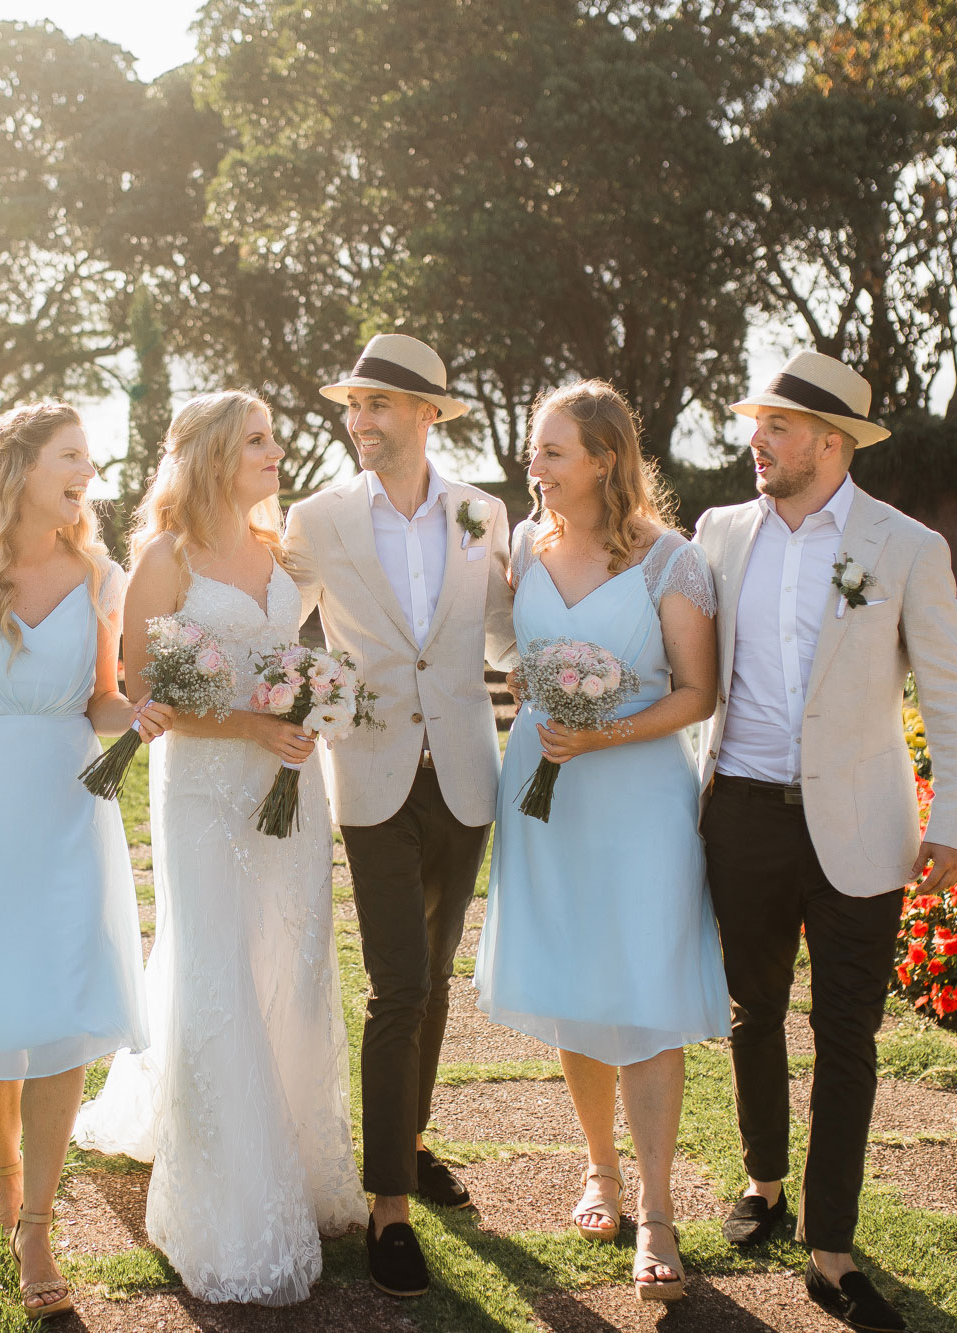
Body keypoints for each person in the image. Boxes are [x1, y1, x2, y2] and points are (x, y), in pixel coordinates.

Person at [694, 351, 957, 1333]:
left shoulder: (904, 546)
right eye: (755, 424)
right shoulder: (717, 533)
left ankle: (829, 1245)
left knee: (846, 1037)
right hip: (737, 809)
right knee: (752, 1011)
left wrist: (954, 822)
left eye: (772, 426)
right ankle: (764, 1181)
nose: (754, 441)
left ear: (829, 441)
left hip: (861, 827)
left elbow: (949, 693)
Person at [74, 390, 360, 1306]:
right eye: (258, 442)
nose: (277, 454)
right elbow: (143, 689)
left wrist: (309, 713)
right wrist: (251, 723)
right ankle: (231, 1202)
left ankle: (301, 1164)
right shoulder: (164, 557)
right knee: (217, 971)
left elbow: (299, 662)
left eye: (274, 439)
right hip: (203, 791)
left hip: (289, 789)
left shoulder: (280, 552)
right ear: (208, 457)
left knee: (292, 953)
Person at [0, 402, 161, 1320]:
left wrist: (152, 710)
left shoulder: (99, 575)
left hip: (64, 799)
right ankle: (6, 1164)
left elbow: (101, 700)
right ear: (19, 465)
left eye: (90, 457)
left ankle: (39, 1221)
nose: (89, 469)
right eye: (71, 455)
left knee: (61, 999)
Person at [477, 380, 729, 1303]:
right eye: (534, 452)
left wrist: (604, 732)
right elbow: (518, 657)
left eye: (550, 452)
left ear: (604, 461)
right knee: (576, 972)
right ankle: (600, 1170)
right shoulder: (522, 546)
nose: (532, 468)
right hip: (545, 794)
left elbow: (696, 693)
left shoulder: (672, 562)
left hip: (637, 796)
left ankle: (659, 1210)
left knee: (647, 981)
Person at [279, 334, 518, 1299]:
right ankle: (389, 1207)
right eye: (353, 405)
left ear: (429, 414)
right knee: (398, 986)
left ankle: (411, 1142)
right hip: (370, 774)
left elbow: (508, 633)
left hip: (465, 772)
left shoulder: (482, 513)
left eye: (379, 405)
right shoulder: (318, 517)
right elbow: (272, 617)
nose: (359, 420)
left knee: (438, 971)